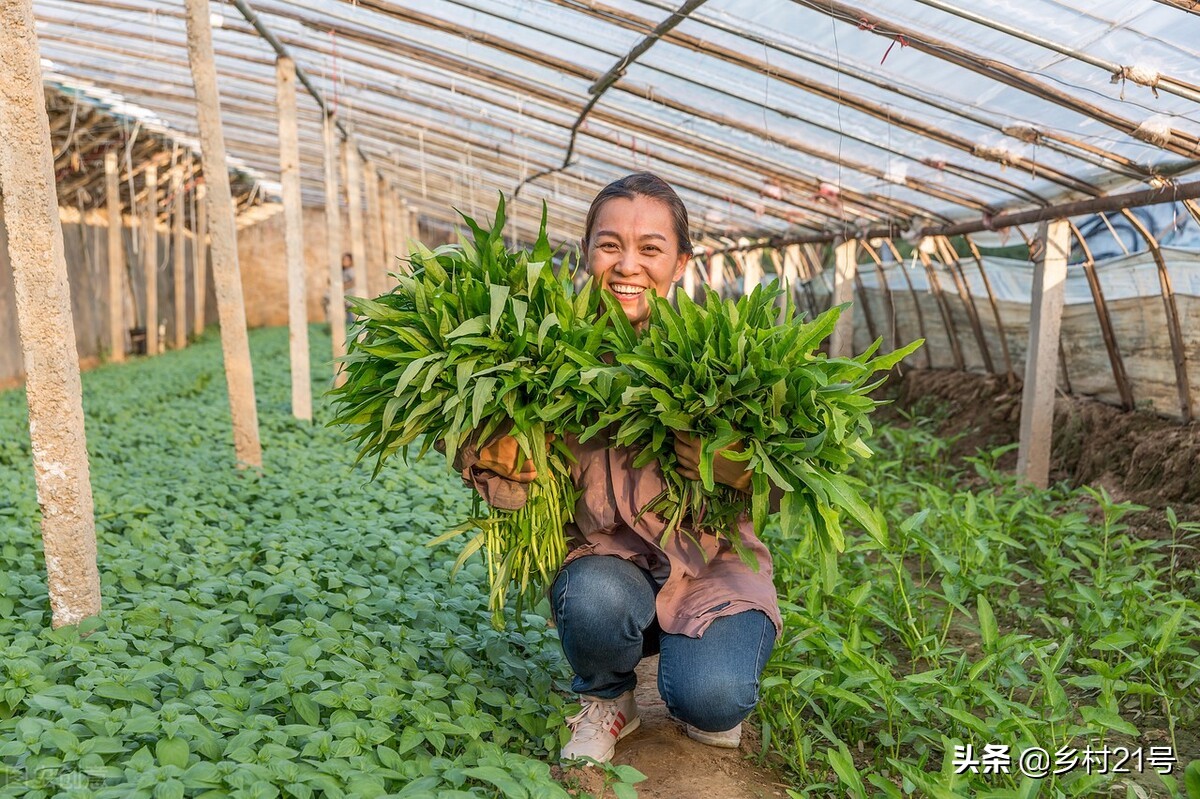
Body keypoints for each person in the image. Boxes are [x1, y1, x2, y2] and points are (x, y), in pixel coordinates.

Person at [454, 173, 781, 765]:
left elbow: (789, 474)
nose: (627, 265)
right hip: (608, 570)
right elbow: (492, 465)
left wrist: (742, 469)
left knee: (712, 701)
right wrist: (494, 457)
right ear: (586, 253)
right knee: (595, 596)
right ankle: (608, 696)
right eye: (610, 245)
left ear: (681, 263)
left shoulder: (726, 353)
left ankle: (700, 677)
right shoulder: (544, 349)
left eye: (650, 249)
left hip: (712, 573)